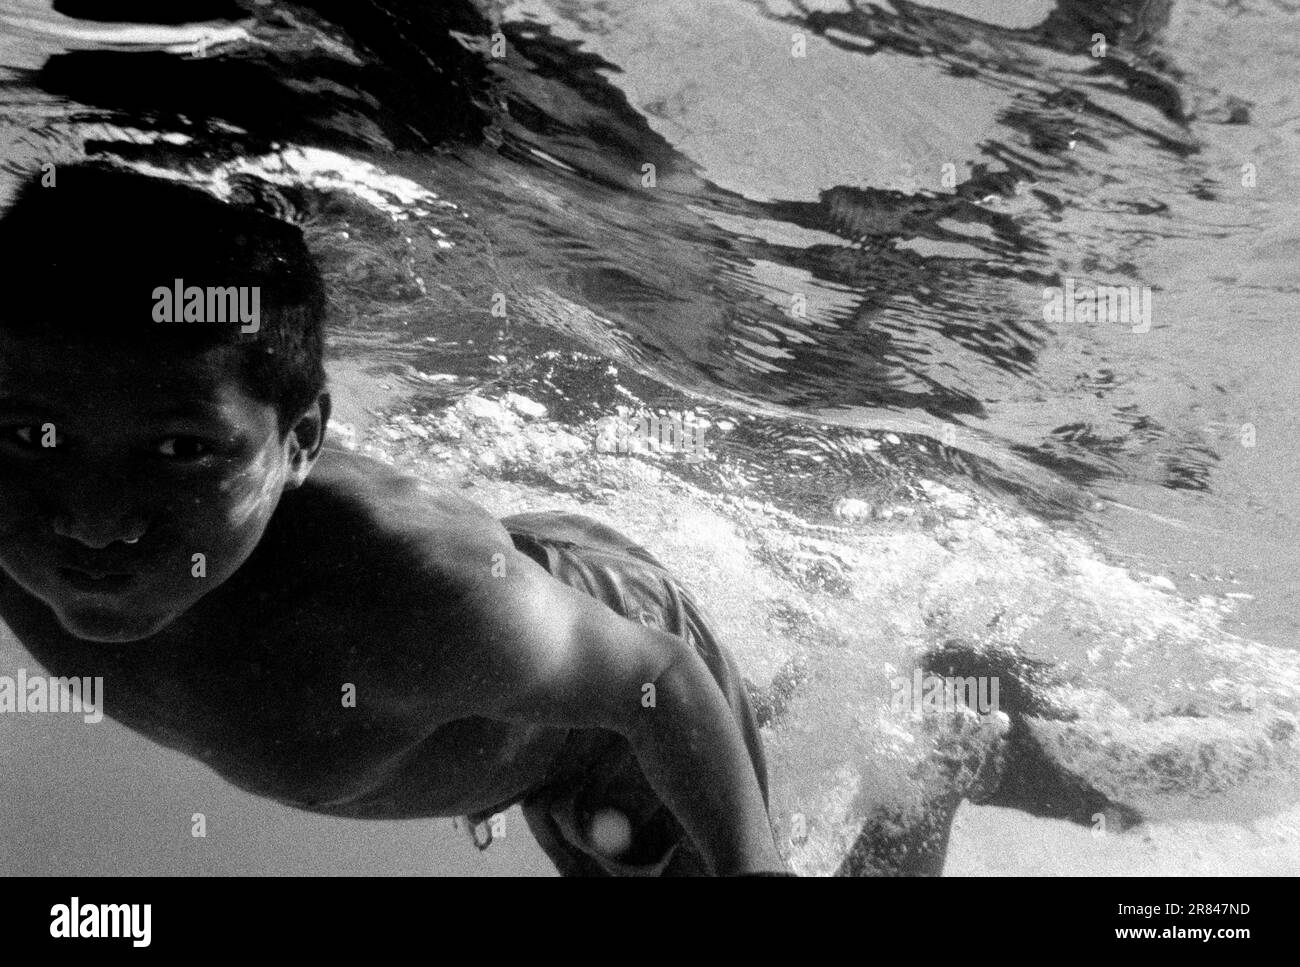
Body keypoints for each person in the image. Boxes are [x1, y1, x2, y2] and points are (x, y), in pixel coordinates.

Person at [0, 164, 786, 876]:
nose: (95, 523)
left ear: (300, 439)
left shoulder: (411, 588)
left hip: (613, 710)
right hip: (523, 653)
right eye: (29, 435)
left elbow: (656, 677)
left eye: (179, 448)